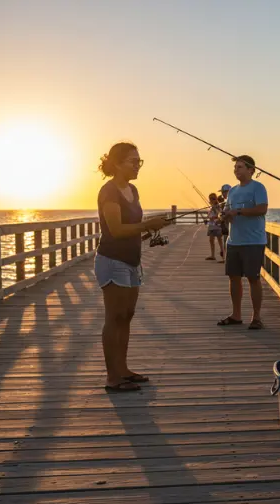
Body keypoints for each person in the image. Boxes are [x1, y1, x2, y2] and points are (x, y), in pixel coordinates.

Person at [94, 142, 169, 393]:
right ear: (116, 163)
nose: (138, 166)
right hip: (112, 259)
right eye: (132, 161)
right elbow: (115, 230)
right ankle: (112, 377)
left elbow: (133, 226)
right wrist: (147, 225)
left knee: (127, 316)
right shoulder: (109, 191)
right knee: (113, 317)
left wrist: (150, 228)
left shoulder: (133, 190)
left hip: (132, 260)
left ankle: (123, 369)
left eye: (139, 161)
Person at [217, 156, 268, 330]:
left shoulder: (258, 187)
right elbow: (225, 210)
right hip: (233, 241)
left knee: (253, 278)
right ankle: (236, 315)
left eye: (240, 167)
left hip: (253, 241)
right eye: (235, 167)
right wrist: (222, 216)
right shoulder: (232, 191)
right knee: (233, 278)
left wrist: (238, 212)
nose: (236, 170)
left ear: (251, 170)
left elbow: (262, 209)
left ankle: (257, 317)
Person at [205, 192, 225, 262]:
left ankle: (223, 257)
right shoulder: (211, 207)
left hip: (217, 226)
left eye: (213, 198)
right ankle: (212, 255)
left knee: (220, 241)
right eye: (210, 198)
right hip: (211, 226)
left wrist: (214, 211)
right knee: (211, 240)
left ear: (216, 198)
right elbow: (209, 216)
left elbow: (220, 214)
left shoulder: (218, 206)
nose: (212, 200)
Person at [218, 183, 231, 253]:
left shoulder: (229, 202)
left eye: (223, 192)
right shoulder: (225, 202)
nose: (222, 194)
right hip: (227, 228)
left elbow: (225, 215)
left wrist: (221, 216)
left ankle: (226, 260)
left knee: (228, 245)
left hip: (230, 229)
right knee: (226, 244)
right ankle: (225, 260)